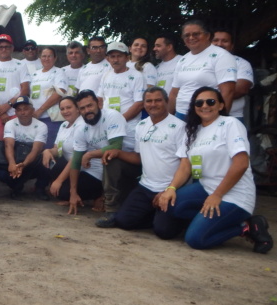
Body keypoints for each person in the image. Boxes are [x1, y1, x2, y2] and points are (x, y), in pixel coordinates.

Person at [159, 87, 273, 253]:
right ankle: (209, 221)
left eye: (210, 101)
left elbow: (241, 164)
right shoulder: (193, 131)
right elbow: (186, 166)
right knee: (169, 204)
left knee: (195, 239)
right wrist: (171, 188)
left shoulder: (230, 124)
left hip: (234, 195)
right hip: (206, 188)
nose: (204, 105)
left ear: (220, 105)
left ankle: (246, 227)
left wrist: (217, 195)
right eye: (199, 102)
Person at [97, 87, 187, 239]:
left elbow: (184, 164)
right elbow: (139, 158)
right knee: (123, 222)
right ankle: (154, 213)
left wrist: (170, 189)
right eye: (149, 101)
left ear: (166, 102)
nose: (153, 104)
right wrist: (118, 153)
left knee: (164, 232)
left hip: (169, 189)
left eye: (158, 100)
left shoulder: (180, 127)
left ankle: (175, 218)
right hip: (145, 186)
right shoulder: (141, 126)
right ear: (144, 104)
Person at [69, 90, 141, 227]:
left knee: (110, 156)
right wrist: (73, 192)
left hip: (134, 164)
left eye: (90, 106)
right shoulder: (80, 128)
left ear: (99, 103)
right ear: (78, 110)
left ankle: (111, 209)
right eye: (82, 108)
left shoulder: (112, 116)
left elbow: (116, 146)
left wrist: (89, 154)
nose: (87, 110)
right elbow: (76, 161)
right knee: (66, 190)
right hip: (113, 170)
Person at [169, 19, 237, 121]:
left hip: (205, 116)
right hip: (181, 115)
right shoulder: (183, 59)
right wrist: (167, 119)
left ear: (208, 36)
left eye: (196, 34)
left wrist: (219, 120)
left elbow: (228, 92)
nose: (191, 38)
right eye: (186, 35)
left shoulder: (221, 56)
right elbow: (174, 92)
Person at [42, 96, 104, 208]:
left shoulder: (82, 125)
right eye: (62, 109)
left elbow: (77, 157)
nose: (65, 111)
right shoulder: (64, 125)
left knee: (62, 192)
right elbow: (57, 149)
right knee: (44, 159)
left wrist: (59, 181)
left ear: (77, 108)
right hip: (73, 168)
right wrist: (47, 151)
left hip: (89, 171)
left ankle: (99, 195)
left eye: (68, 107)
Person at [0, 34, 30, 150]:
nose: (3, 49)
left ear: (12, 48)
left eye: (7, 47)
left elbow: (25, 89)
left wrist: (9, 105)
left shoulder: (20, 64)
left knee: (16, 145)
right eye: (0, 47)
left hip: (16, 111)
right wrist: (1, 111)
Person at [0, 96, 47, 199]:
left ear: (32, 110)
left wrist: (23, 165)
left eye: (26, 109)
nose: (23, 113)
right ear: (15, 112)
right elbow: (8, 145)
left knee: (48, 161)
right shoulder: (10, 124)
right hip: (15, 158)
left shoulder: (41, 126)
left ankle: (40, 188)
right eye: (19, 110)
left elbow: (36, 150)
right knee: (1, 173)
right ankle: (16, 187)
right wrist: (12, 163)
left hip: (32, 161)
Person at [97, 41, 145, 151]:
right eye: (112, 56)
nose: (115, 59)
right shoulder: (106, 75)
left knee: (129, 157)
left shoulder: (137, 76)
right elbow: (100, 99)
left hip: (129, 127)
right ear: (108, 58)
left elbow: (139, 104)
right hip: (108, 127)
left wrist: (119, 120)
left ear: (127, 58)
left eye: (119, 56)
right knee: (110, 156)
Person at [29, 47, 69, 149]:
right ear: (40, 57)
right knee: (36, 148)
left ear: (55, 58)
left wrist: (40, 110)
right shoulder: (35, 74)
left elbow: (60, 93)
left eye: (49, 56)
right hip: (35, 118)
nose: (46, 59)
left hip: (51, 118)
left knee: (50, 148)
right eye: (44, 56)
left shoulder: (59, 72)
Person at [212, 30, 254, 125]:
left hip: (232, 117)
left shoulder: (242, 63)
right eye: (215, 40)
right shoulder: (200, 62)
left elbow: (241, 90)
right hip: (200, 115)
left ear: (231, 45)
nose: (219, 44)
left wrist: (208, 102)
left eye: (224, 41)